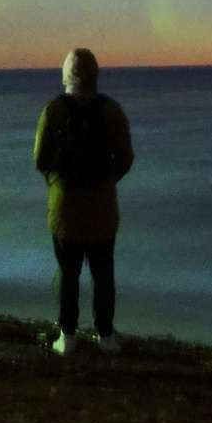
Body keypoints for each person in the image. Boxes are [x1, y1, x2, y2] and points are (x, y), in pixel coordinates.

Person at [33, 47, 133, 355]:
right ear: (95, 74)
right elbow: (126, 157)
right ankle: (106, 337)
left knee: (68, 272)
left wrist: (56, 183)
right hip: (102, 206)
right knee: (103, 274)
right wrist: (105, 182)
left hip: (66, 207)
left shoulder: (54, 110)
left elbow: (40, 159)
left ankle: (68, 337)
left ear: (66, 74)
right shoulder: (111, 109)